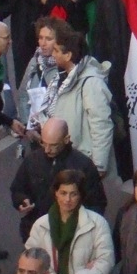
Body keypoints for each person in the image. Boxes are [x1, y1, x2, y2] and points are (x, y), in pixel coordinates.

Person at [10, 116, 108, 242]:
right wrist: (22, 201)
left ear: (66, 139)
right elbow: (17, 189)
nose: (47, 149)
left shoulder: (83, 165)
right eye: (43, 143)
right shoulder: (32, 160)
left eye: (53, 145)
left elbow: (97, 203)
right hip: (37, 232)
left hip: (72, 236)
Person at [46, 25, 115, 178]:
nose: (53, 54)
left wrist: (99, 164)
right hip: (68, 157)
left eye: (57, 50)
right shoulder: (63, 77)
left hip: (84, 161)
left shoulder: (91, 83)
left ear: (68, 55)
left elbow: (101, 124)